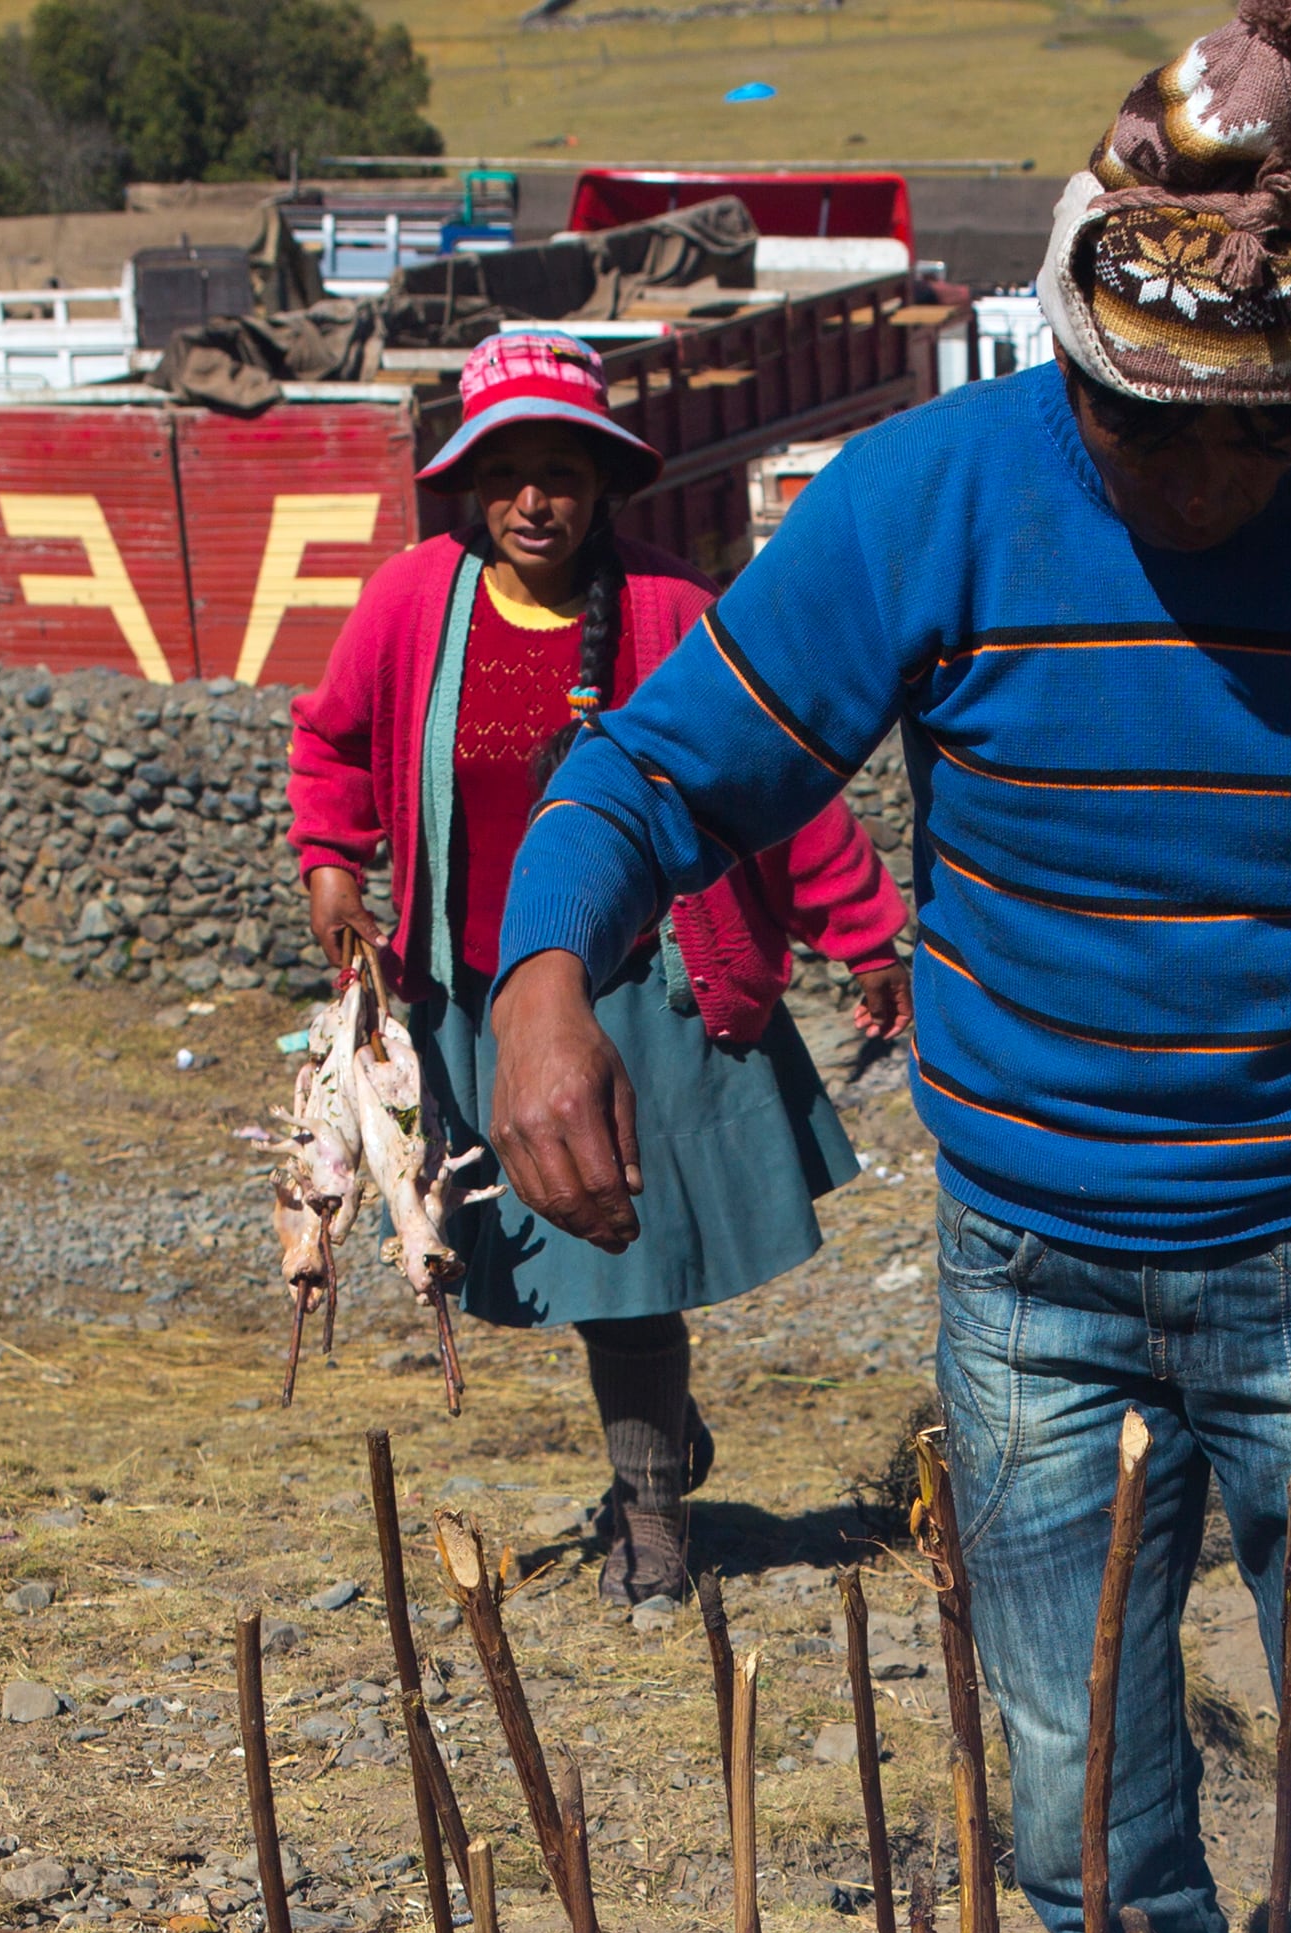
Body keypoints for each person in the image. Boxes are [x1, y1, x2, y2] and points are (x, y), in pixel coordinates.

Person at [483, 0, 1291, 1933]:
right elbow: (652, 779)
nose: (1210, 473)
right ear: (1069, 347)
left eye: (1262, 426)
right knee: (1073, 1821)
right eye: (1155, 420)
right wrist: (539, 971)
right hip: (1034, 1297)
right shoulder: (925, 505)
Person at [289, 331, 912, 1604]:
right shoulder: (412, 605)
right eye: (507, 472)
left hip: (638, 984)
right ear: (470, 483)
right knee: (567, 1273)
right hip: (473, 986)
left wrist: (863, 930)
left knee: (622, 1267)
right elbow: (334, 744)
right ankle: (663, 1446)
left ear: (603, 483)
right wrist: (331, 866)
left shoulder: (672, 615)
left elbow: (773, 789)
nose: (534, 502)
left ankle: (649, 1516)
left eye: (560, 473)